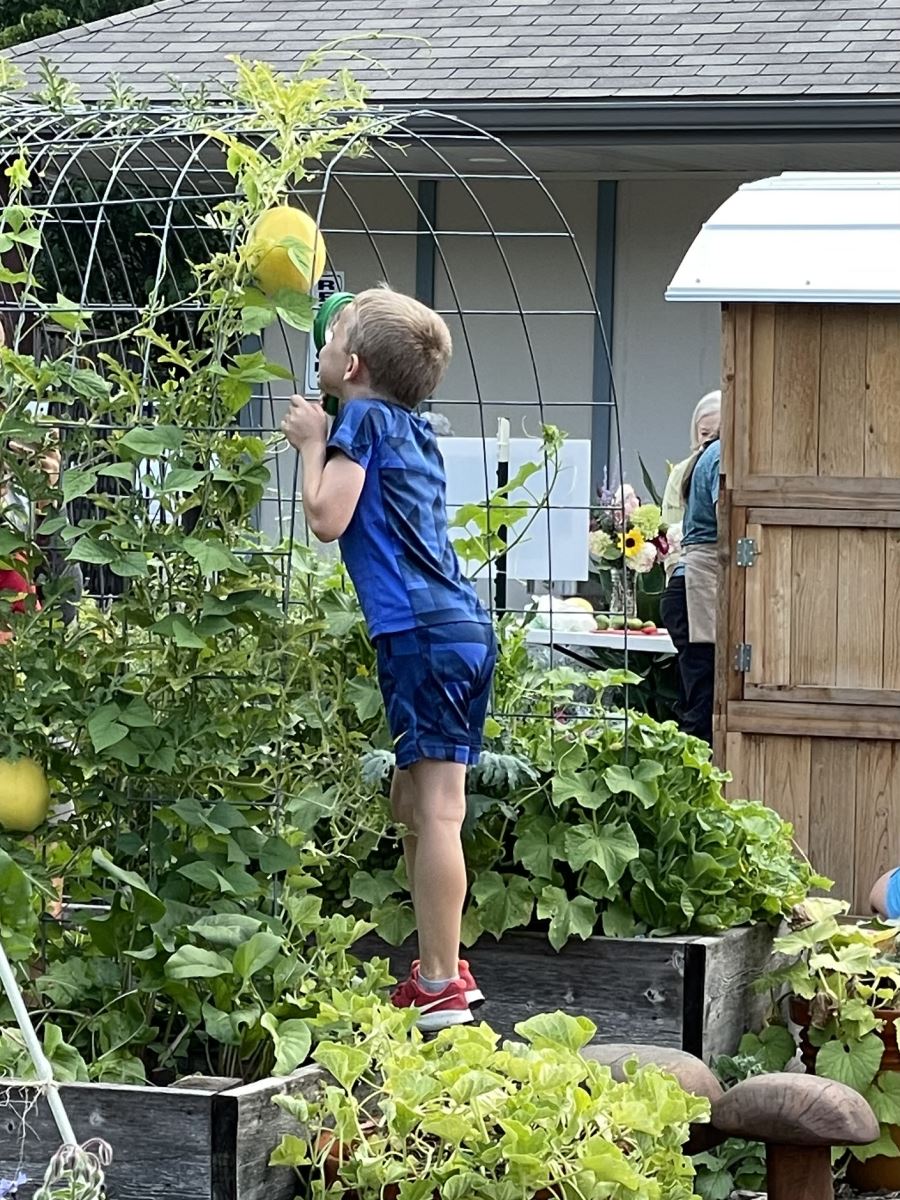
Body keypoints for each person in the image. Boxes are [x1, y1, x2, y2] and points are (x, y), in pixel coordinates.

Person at [281, 287, 496, 1031]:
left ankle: (440, 983)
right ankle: (444, 967)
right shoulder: (408, 425)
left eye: (333, 333)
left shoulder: (363, 421)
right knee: (415, 803)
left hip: (421, 636)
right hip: (456, 629)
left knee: (435, 811)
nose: (323, 340)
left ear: (355, 363)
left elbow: (326, 517)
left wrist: (313, 443)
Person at [659, 411, 721, 746]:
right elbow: (726, 514)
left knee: (696, 694)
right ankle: (694, 781)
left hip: (684, 585)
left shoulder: (704, 456)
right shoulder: (721, 454)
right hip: (699, 587)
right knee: (702, 702)